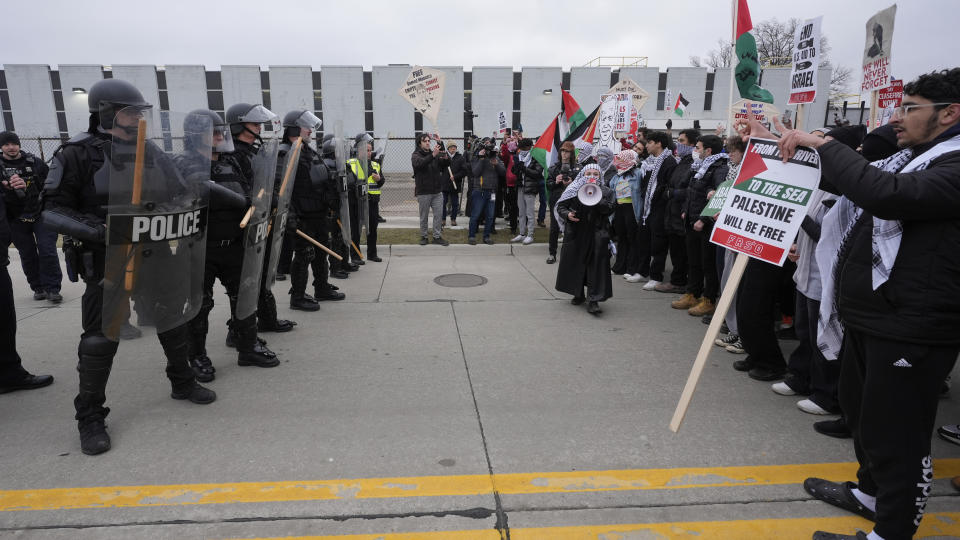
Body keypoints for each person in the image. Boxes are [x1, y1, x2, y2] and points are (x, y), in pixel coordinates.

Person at [747, 68, 960, 540]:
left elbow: (882, 194)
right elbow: (849, 183)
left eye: (909, 109)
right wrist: (776, 145)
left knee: (897, 435)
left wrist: (824, 144)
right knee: (862, 413)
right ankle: (869, 493)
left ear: (950, 113)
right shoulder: (917, 156)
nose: (896, 119)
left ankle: (892, 530)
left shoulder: (953, 163)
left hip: (914, 325)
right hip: (875, 316)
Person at [42, 80, 216, 455]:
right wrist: (101, 230)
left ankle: (182, 380)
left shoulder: (150, 151)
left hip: (155, 255)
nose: (139, 119)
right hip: (108, 259)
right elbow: (52, 207)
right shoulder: (76, 154)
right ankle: (89, 416)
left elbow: (179, 192)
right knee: (100, 339)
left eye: (140, 113)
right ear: (106, 112)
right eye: (131, 112)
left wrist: (188, 201)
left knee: (172, 319)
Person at [225, 102, 296, 335]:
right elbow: (241, 190)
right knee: (244, 281)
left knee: (262, 272)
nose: (259, 127)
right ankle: (237, 331)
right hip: (241, 227)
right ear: (238, 125)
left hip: (260, 223)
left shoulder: (255, 150)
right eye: (254, 123)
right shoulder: (231, 154)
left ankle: (267, 320)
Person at [1, 153, 54, 394]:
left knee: (4, 319)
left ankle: (9, 374)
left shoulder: (32, 163)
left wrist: (16, 192)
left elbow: (13, 205)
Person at [283, 111, 345, 312]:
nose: (310, 130)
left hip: (318, 214)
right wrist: (291, 216)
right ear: (294, 128)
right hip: (302, 217)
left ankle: (322, 287)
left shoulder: (308, 151)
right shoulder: (286, 152)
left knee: (321, 252)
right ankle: (298, 296)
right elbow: (280, 189)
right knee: (304, 255)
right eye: (305, 127)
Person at [1, 131, 61, 303]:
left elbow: (51, 185)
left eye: (14, 143)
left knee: (47, 250)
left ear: (19, 144)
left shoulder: (35, 162)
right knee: (27, 254)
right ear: (1, 147)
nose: (11, 147)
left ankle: (53, 288)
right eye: (6, 144)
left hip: (40, 213)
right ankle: (38, 287)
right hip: (15, 218)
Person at [671, 134, 727, 317]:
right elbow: (690, 189)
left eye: (698, 147)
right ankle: (692, 294)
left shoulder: (720, 168)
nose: (696, 150)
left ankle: (709, 299)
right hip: (691, 218)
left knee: (707, 263)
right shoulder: (701, 166)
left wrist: (704, 219)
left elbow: (718, 196)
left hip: (705, 223)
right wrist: (686, 209)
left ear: (708, 150)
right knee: (693, 261)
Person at [554, 163, 615, 315]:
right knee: (576, 263)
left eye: (596, 174)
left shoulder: (606, 191)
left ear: (600, 176)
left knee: (596, 266)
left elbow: (610, 208)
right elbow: (561, 206)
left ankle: (593, 299)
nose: (592, 177)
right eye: (589, 174)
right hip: (577, 232)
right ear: (583, 174)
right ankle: (578, 293)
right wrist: (567, 214)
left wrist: (596, 196)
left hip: (597, 233)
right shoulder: (573, 189)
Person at [655, 129, 700, 294]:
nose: (679, 144)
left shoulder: (694, 163)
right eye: (678, 141)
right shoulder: (681, 161)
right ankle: (677, 280)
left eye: (682, 141)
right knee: (675, 251)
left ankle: (680, 282)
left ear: (692, 144)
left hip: (681, 213)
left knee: (682, 252)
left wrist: (673, 193)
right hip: (672, 213)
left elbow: (691, 189)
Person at [634, 131, 677, 289]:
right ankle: (642, 271)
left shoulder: (669, 161)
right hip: (647, 208)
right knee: (643, 239)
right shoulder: (649, 162)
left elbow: (666, 185)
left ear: (659, 144)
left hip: (660, 208)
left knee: (658, 243)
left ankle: (656, 276)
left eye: (650, 142)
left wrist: (657, 195)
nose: (646, 145)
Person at [347, 138, 385, 261]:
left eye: (370, 150)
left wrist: (379, 179)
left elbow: (381, 182)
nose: (369, 153)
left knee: (372, 229)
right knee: (356, 230)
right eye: (366, 150)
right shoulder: (351, 163)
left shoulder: (375, 164)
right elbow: (349, 182)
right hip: (357, 202)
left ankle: (372, 254)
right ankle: (355, 256)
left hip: (372, 202)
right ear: (358, 151)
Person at [411, 134, 449, 246]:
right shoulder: (416, 155)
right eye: (425, 141)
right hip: (424, 192)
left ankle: (437, 237)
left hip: (437, 191)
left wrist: (442, 147)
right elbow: (420, 164)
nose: (428, 143)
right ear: (420, 143)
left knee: (438, 215)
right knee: (424, 216)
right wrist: (433, 155)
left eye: (429, 141)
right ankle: (424, 236)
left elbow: (446, 163)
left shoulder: (435, 154)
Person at [609, 150, 642, 279]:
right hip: (619, 208)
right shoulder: (616, 176)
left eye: (622, 160)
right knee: (621, 238)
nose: (618, 162)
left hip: (632, 209)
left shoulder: (638, 174)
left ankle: (632, 267)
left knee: (632, 238)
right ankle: (619, 266)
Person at [545, 141, 578, 264]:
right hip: (557, 199)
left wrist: (572, 181)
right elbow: (548, 186)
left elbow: (581, 185)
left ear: (571, 153)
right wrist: (556, 181)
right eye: (563, 151)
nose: (564, 154)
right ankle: (552, 254)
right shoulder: (554, 168)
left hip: (572, 200)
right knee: (554, 227)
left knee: (572, 226)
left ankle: (570, 254)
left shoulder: (577, 168)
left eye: (567, 151)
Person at [468, 138, 505, 245]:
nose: (489, 149)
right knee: (475, 214)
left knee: (490, 215)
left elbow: (503, 172)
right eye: (487, 145)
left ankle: (487, 236)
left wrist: (496, 164)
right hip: (479, 191)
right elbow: (475, 172)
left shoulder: (495, 157)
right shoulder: (477, 157)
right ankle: (471, 236)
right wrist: (481, 158)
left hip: (492, 191)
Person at [510, 138, 543, 245]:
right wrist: (516, 169)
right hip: (520, 187)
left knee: (529, 213)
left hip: (530, 188)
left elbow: (537, 173)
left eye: (524, 148)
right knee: (521, 212)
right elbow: (515, 172)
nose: (522, 150)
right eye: (520, 148)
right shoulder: (519, 157)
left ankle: (530, 234)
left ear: (529, 147)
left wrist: (524, 169)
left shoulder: (535, 157)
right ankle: (522, 233)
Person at [442, 142, 467, 227]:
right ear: (448, 148)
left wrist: (455, 177)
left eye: (454, 147)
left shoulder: (460, 158)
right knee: (443, 202)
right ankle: (443, 219)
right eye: (451, 147)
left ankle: (453, 219)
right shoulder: (444, 157)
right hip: (445, 184)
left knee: (455, 203)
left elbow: (464, 171)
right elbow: (440, 168)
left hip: (455, 184)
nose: (453, 148)